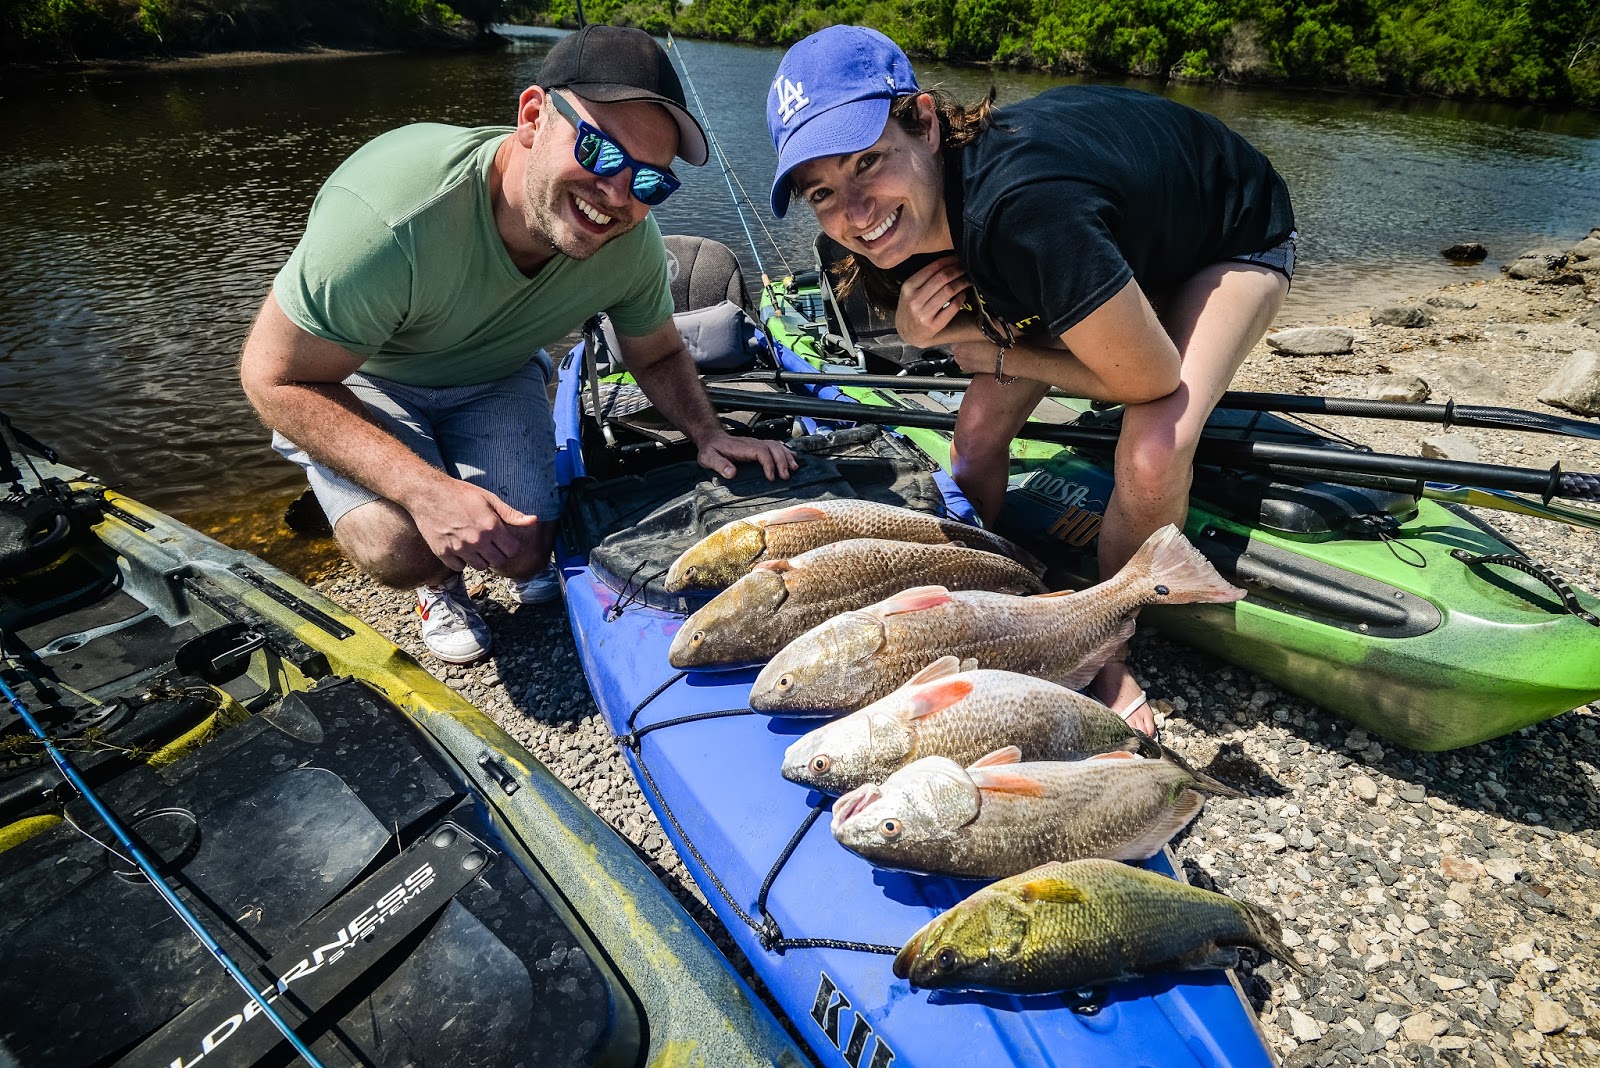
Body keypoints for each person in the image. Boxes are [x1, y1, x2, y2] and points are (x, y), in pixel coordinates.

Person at [767, 26, 1294, 737]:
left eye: (867, 162)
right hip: (1106, 243)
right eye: (823, 191)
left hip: (1227, 236)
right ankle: (980, 598)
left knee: (1153, 447)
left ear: (922, 120)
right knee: (976, 436)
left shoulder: (1025, 208)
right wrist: (926, 335)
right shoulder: (862, 237)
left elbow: (1147, 377)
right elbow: (961, 343)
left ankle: (1103, 640)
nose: (856, 214)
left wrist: (993, 351)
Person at [241, 25, 795, 665]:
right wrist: (426, 492)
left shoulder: (630, 245)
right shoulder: (392, 216)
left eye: (650, 182)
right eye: (601, 150)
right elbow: (272, 377)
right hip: (363, 377)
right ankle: (437, 586)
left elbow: (659, 353)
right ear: (534, 116)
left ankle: (445, 481)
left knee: (527, 551)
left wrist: (708, 434)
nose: (616, 196)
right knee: (403, 546)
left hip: (498, 376)